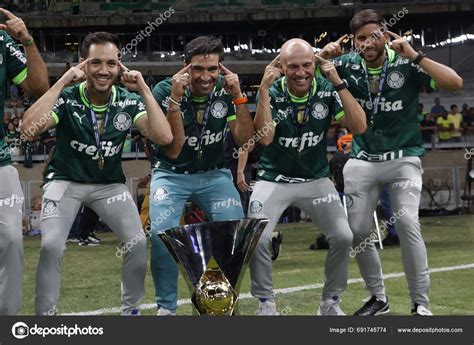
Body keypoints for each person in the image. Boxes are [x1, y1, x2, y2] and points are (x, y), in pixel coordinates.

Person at [320, 8, 463, 315]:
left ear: (385, 35)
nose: (368, 44)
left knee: (408, 221)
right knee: (356, 230)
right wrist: (323, 54)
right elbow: (301, 72)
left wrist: (416, 56)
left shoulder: (405, 63)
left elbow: (455, 83)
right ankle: (378, 298)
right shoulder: (345, 65)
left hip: (403, 159)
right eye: (361, 39)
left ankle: (420, 303)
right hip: (362, 158)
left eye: (374, 36)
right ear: (353, 41)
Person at [22, 31, 173, 315]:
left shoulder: (127, 101)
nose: (103, 71)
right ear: (83, 65)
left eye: (111, 63)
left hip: (108, 186)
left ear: (119, 66)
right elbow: (28, 129)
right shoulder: (68, 97)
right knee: (52, 246)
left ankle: (131, 311)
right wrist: (63, 80)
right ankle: (45, 317)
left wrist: (144, 88)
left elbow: (164, 137)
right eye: (95, 63)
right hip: (65, 181)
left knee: (137, 242)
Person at [249, 38, 366, 316]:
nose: (300, 72)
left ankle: (330, 302)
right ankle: (265, 302)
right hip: (273, 178)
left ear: (314, 63)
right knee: (257, 237)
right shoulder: (271, 90)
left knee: (342, 235)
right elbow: (264, 139)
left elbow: (359, 126)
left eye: (306, 65)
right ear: (280, 66)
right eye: (293, 67)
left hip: (316, 179)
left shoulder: (326, 88)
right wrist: (263, 89)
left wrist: (337, 80)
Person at [149, 36, 254, 315]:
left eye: (213, 69)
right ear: (185, 68)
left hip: (214, 175)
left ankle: (219, 305)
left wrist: (239, 97)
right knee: (161, 235)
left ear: (221, 68)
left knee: (233, 234)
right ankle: (166, 308)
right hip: (171, 174)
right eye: (198, 69)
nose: (206, 77)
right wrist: (175, 100)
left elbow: (244, 138)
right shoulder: (163, 90)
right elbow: (173, 148)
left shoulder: (225, 90)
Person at [0, 8, 49, 315]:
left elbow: (39, 88)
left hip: (0, 161)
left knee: (12, 243)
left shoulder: (3, 41)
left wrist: (27, 40)